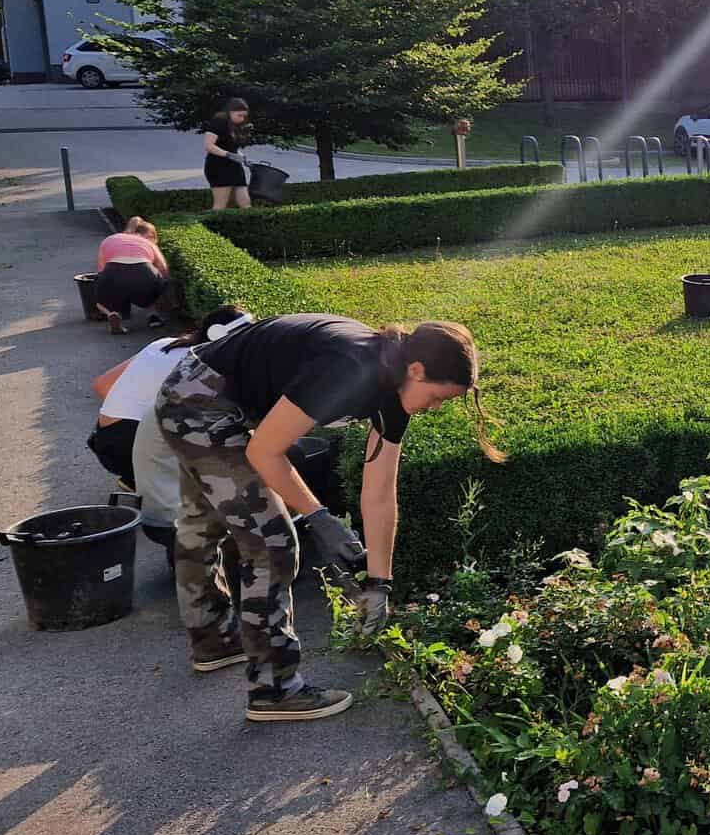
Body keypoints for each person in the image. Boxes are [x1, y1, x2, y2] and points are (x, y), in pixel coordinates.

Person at [154, 314, 504, 722]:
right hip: (197, 405)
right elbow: (264, 451)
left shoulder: (395, 386)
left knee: (206, 520)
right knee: (272, 543)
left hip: (207, 396)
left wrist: (379, 583)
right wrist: (319, 517)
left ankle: (213, 639)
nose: (436, 407)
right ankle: (274, 689)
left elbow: (379, 494)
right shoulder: (350, 368)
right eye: (439, 396)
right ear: (417, 369)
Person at [89, 305, 253, 492]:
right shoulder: (208, 366)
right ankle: (157, 478)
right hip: (137, 450)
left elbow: (102, 384)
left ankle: (140, 478)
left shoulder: (164, 344)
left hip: (103, 441)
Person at [92, 217, 172, 334]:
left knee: (102, 300)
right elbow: (164, 269)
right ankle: (153, 315)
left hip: (112, 273)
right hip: (144, 272)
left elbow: (100, 270)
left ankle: (112, 313)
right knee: (155, 286)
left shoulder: (109, 239)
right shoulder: (148, 243)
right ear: (150, 236)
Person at [203, 97, 253, 210]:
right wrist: (229, 155)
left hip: (235, 167)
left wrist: (242, 158)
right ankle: (212, 225)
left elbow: (233, 147)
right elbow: (208, 145)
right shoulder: (218, 122)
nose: (242, 119)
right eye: (239, 115)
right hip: (218, 167)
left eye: (244, 116)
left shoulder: (235, 126)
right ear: (230, 112)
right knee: (220, 205)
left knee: (245, 203)